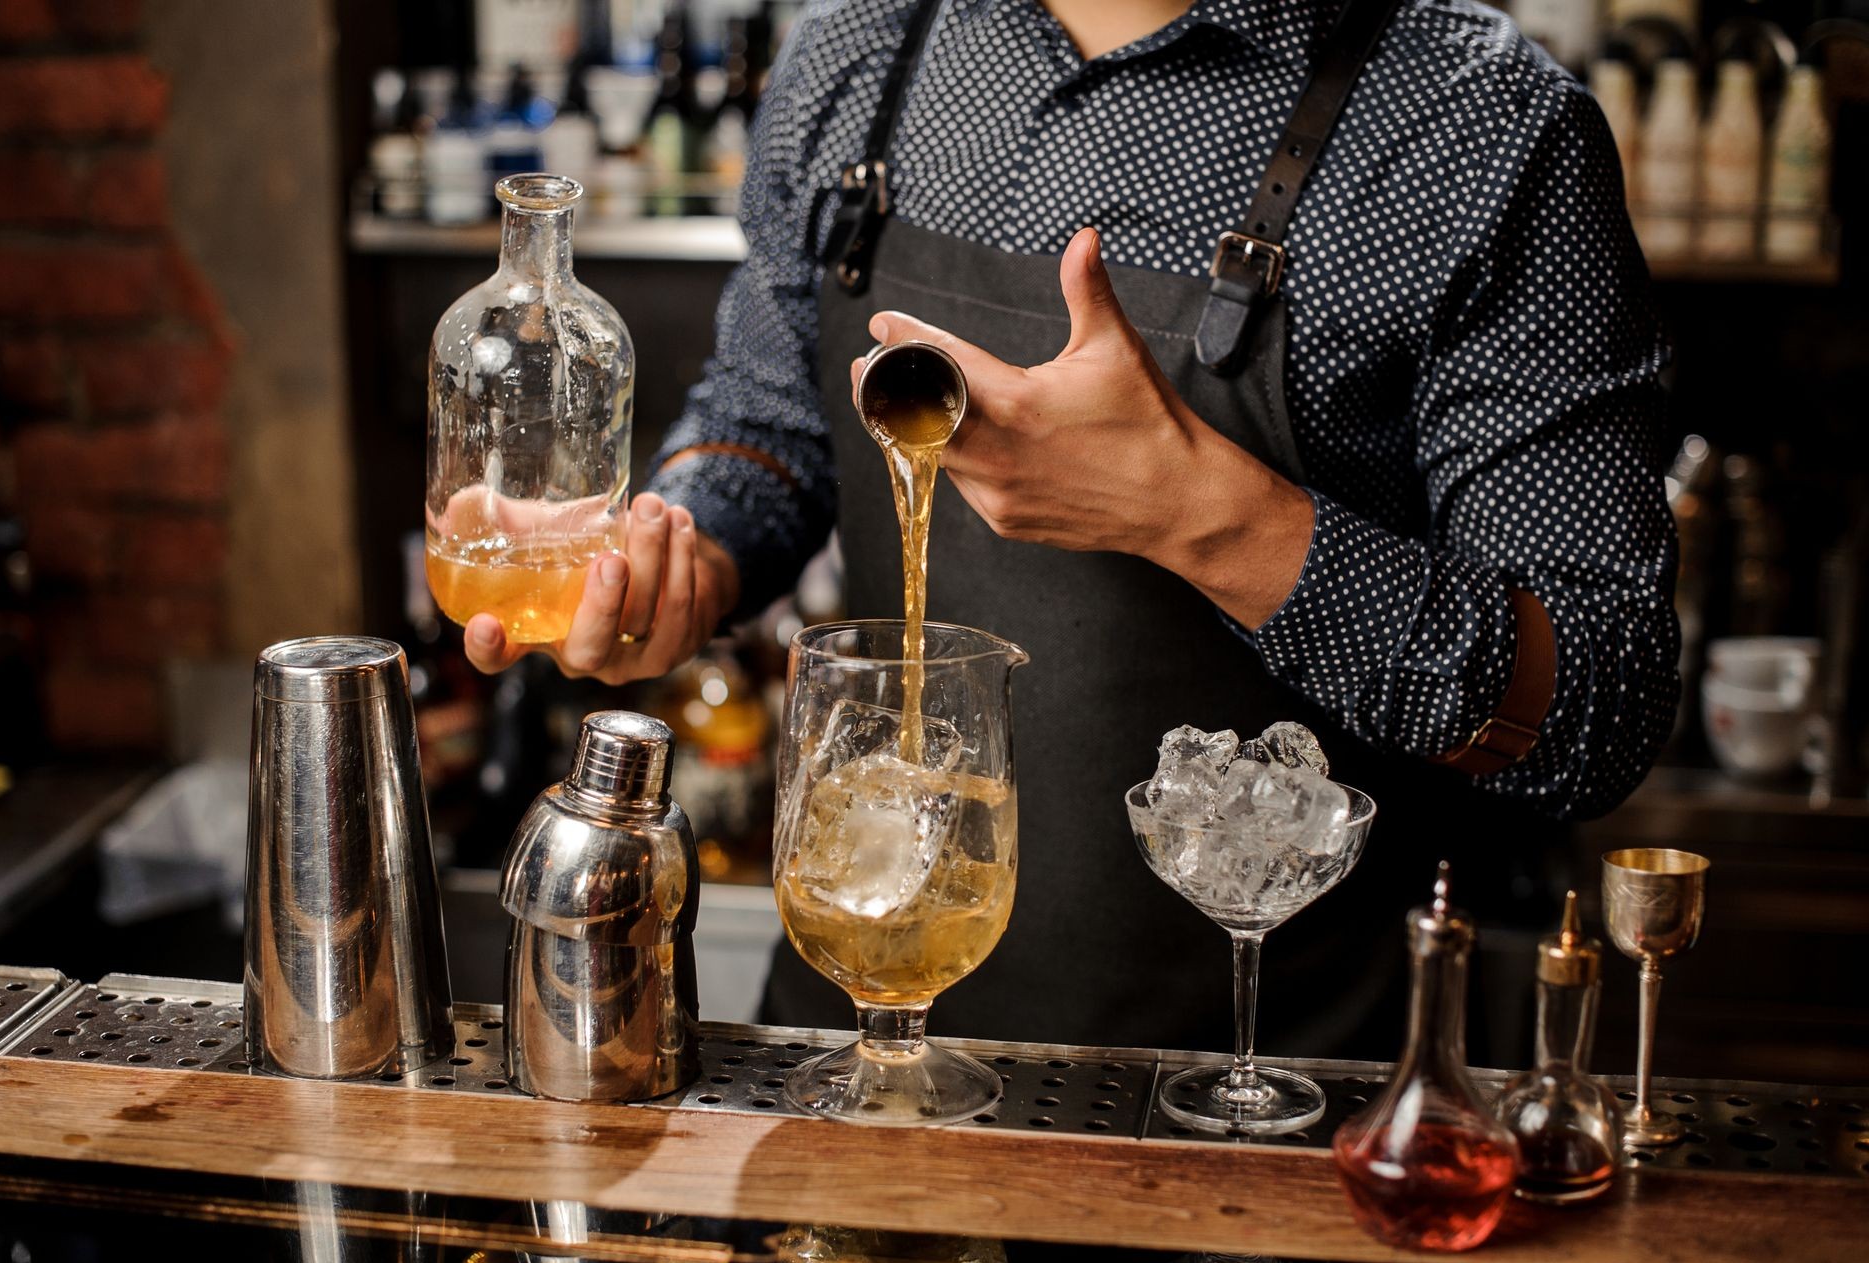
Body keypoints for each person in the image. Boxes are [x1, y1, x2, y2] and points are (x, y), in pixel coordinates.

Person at [464, 0, 1680, 1057]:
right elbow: (765, 425)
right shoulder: (860, 55)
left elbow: (1595, 707)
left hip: (1272, 1100)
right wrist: (676, 550)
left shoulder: (1480, 127)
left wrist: (1206, 517)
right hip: (862, 1046)